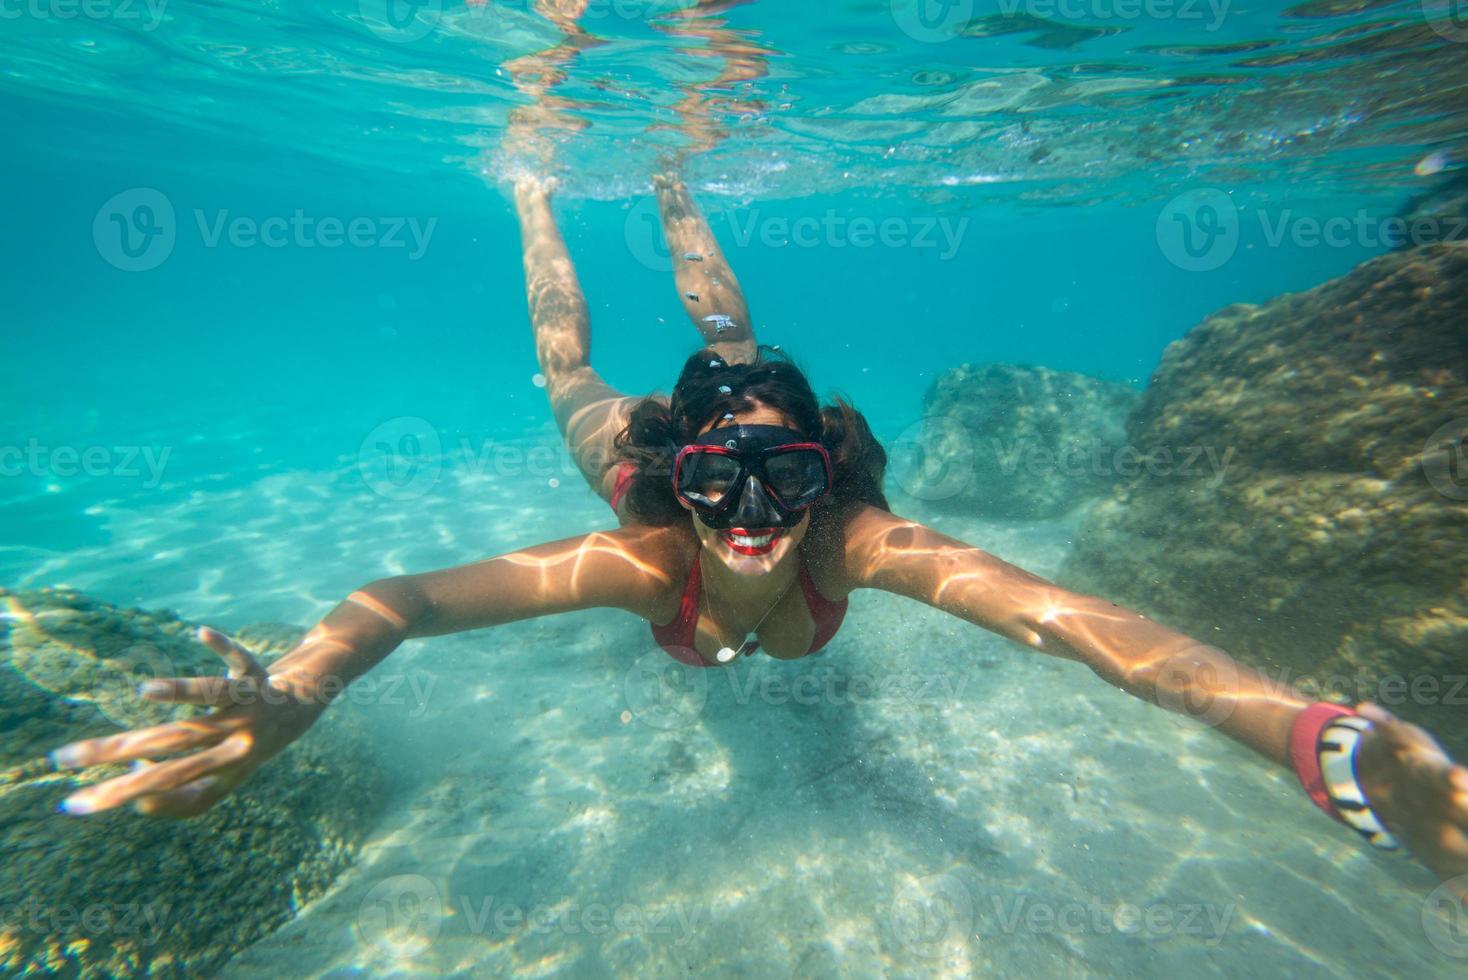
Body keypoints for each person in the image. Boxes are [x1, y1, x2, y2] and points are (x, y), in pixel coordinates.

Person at [47, 3, 1468, 905]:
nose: (748, 517)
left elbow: (1086, 632)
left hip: (741, 407)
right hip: (633, 443)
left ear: (825, 486)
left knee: (736, 332)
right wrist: (297, 690)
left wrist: (1316, 737)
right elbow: (404, 603)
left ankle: (675, 181)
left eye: (783, 483)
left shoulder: (853, 538)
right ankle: (538, 199)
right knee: (570, 369)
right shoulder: (648, 531)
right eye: (724, 483)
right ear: (688, 482)